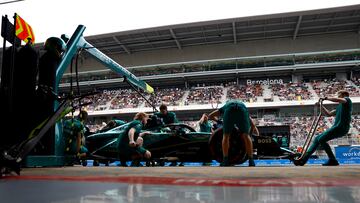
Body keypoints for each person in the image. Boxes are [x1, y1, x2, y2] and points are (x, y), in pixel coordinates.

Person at [294, 90, 352, 166]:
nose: (337, 96)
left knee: (321, 139)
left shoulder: (347, 100)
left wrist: (326, 98)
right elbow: (328, 114)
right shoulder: (339, 107)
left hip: (341, 127)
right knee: (317, 138)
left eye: (339, 94)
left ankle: (333, 160)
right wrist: (321, 105)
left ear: (344, 95)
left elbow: (339, 100)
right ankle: (303, 159)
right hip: (337, 127)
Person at [208, 100, 259, 167]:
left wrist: (219, 121)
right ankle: (251, 160)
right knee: (246, 136)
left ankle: (225, 160)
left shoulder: (226, 106)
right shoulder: (242, 107)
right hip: (242, 111)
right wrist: (251, 135)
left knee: (226, 136)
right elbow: (252, 125)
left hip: (229, 110)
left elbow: (210, 116)